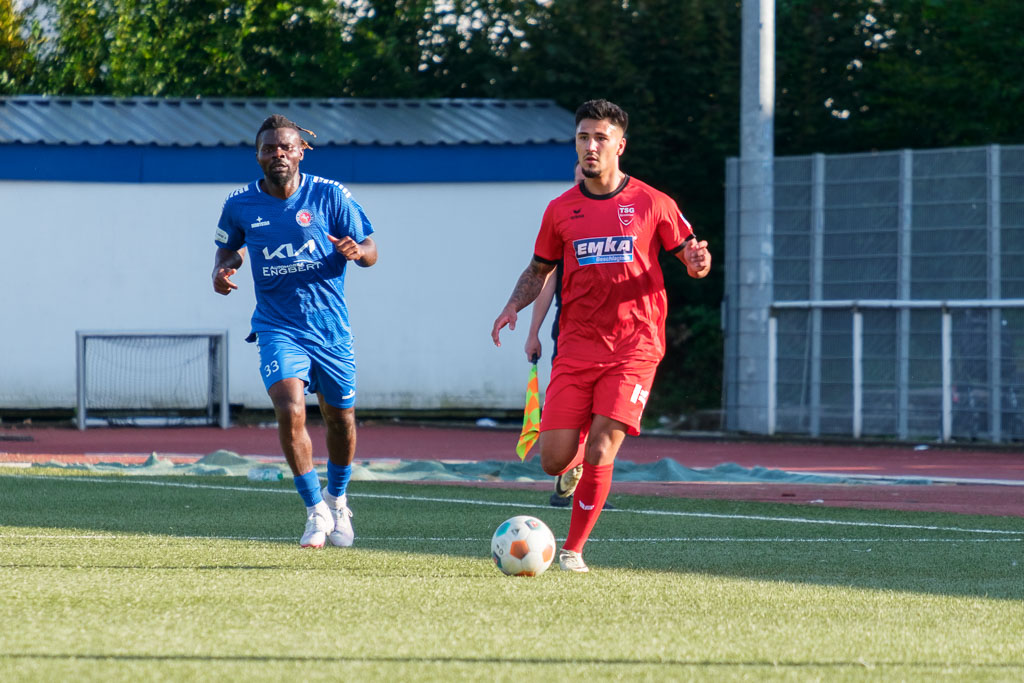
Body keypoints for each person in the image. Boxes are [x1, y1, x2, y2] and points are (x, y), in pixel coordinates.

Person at [491, 99, 711, 572]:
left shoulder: (653, 203)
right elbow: (539, 270)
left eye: (600, 138)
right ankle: (571, 467)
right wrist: (512, 306)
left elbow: (692, 255)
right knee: (553, 460)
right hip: (575, 346)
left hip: (635, 347)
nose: (590, 146)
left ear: (620, 146)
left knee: (601, 449)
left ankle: (573, 550)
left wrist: (698, 264)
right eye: (583, 138)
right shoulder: (560, 210)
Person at [212, 114, 378, 548]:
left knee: (340, 419)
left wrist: (357, 251)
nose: (279, 154)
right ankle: (314, 511)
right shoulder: (240, 203)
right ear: (258, 155)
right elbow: (227, 249)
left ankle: (337, 499)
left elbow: (372, 249)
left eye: (286, 147)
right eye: (270, 148)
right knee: (289, 408)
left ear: (302, 151)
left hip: (330, 329)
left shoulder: (330, 195)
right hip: (277, 326)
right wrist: (223, 271)